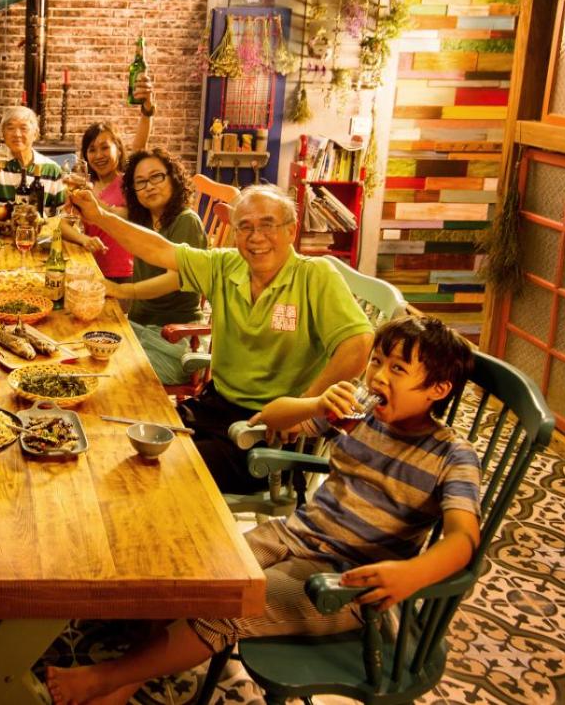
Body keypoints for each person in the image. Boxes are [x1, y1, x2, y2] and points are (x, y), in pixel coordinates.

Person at [45, 315, 481, 705]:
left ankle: (106, 677)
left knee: (227, 608)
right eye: (377, 362)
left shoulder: (452, 456)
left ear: (438, 389)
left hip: (344, 580)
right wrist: (317, 403)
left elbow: (464, 539)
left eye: (398, 369)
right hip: (293, 533)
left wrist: (413, 574)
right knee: (201, 578)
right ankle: (127, 680)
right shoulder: (361, 415)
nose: (378, 376)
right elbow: (268, 420)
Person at [70, 182, 373, 494]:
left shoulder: (315, 275)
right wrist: (99, 216)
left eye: (268, 225)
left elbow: (359, 343)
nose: (256, 237)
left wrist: (305, 408)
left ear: (291, 231)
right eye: (245, 227)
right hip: (216, 407)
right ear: (235, 233)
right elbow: (160, 250)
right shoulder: (226, 265)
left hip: (270, 432)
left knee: (160, 471)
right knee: (127, 439)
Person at [101, 150, 206, 384]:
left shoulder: (186, 221)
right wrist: (88, 205)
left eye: (156, 177)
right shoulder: (146, 219)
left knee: (110, 376)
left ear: (173, 178)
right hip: (139, 327)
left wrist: (122, 290)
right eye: (140, 182)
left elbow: (175, 279)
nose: (149, 187)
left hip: (174, 339)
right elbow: (110, 214)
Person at [69, 74, 158, 277]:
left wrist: (147, 111)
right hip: (89, 270)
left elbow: (140, 146)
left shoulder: (129, 181)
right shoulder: (86, 185)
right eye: (92, 150)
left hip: (124, 274)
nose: (99, 155)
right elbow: (65, 222)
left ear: (118, 148)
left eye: (104, 147)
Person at [0, 106, 67, 218]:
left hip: (39, 228)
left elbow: (63, 214)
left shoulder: (52, 169)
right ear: (3, 134)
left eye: (23, 128)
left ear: (35, 134)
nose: (17, 134)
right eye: (10, 128)